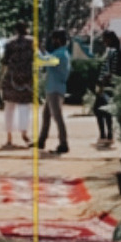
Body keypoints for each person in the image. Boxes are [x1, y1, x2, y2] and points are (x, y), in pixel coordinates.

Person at [0, 20, 35, 150]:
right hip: (27, 78)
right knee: (24, 107)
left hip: (11, 77)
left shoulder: (9, 43)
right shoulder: (32, 42)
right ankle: (24, 134)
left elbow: (4, 63)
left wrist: (0, 79)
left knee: (9, 108)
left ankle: (9, 137)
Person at [36, 28, 71, 156]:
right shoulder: (62, 52)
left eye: (53, 39)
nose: (52, 41)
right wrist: (41, 50)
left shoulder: (60, 54)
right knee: (46, 115)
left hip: (55, 89)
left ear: (58, 40)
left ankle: (63, 143)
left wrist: (36, 51)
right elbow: (48, 58)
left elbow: (43, 61)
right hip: (53, 88)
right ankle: (41, 141)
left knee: (57, 117)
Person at [92, 73, 115, 148]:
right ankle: (109, 136)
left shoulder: (100, 85)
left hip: (101, 102)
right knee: (109, 120)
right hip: (109, 102)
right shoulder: (112, 86)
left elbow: (97, 92)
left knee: (101, 119)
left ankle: (103, 136)